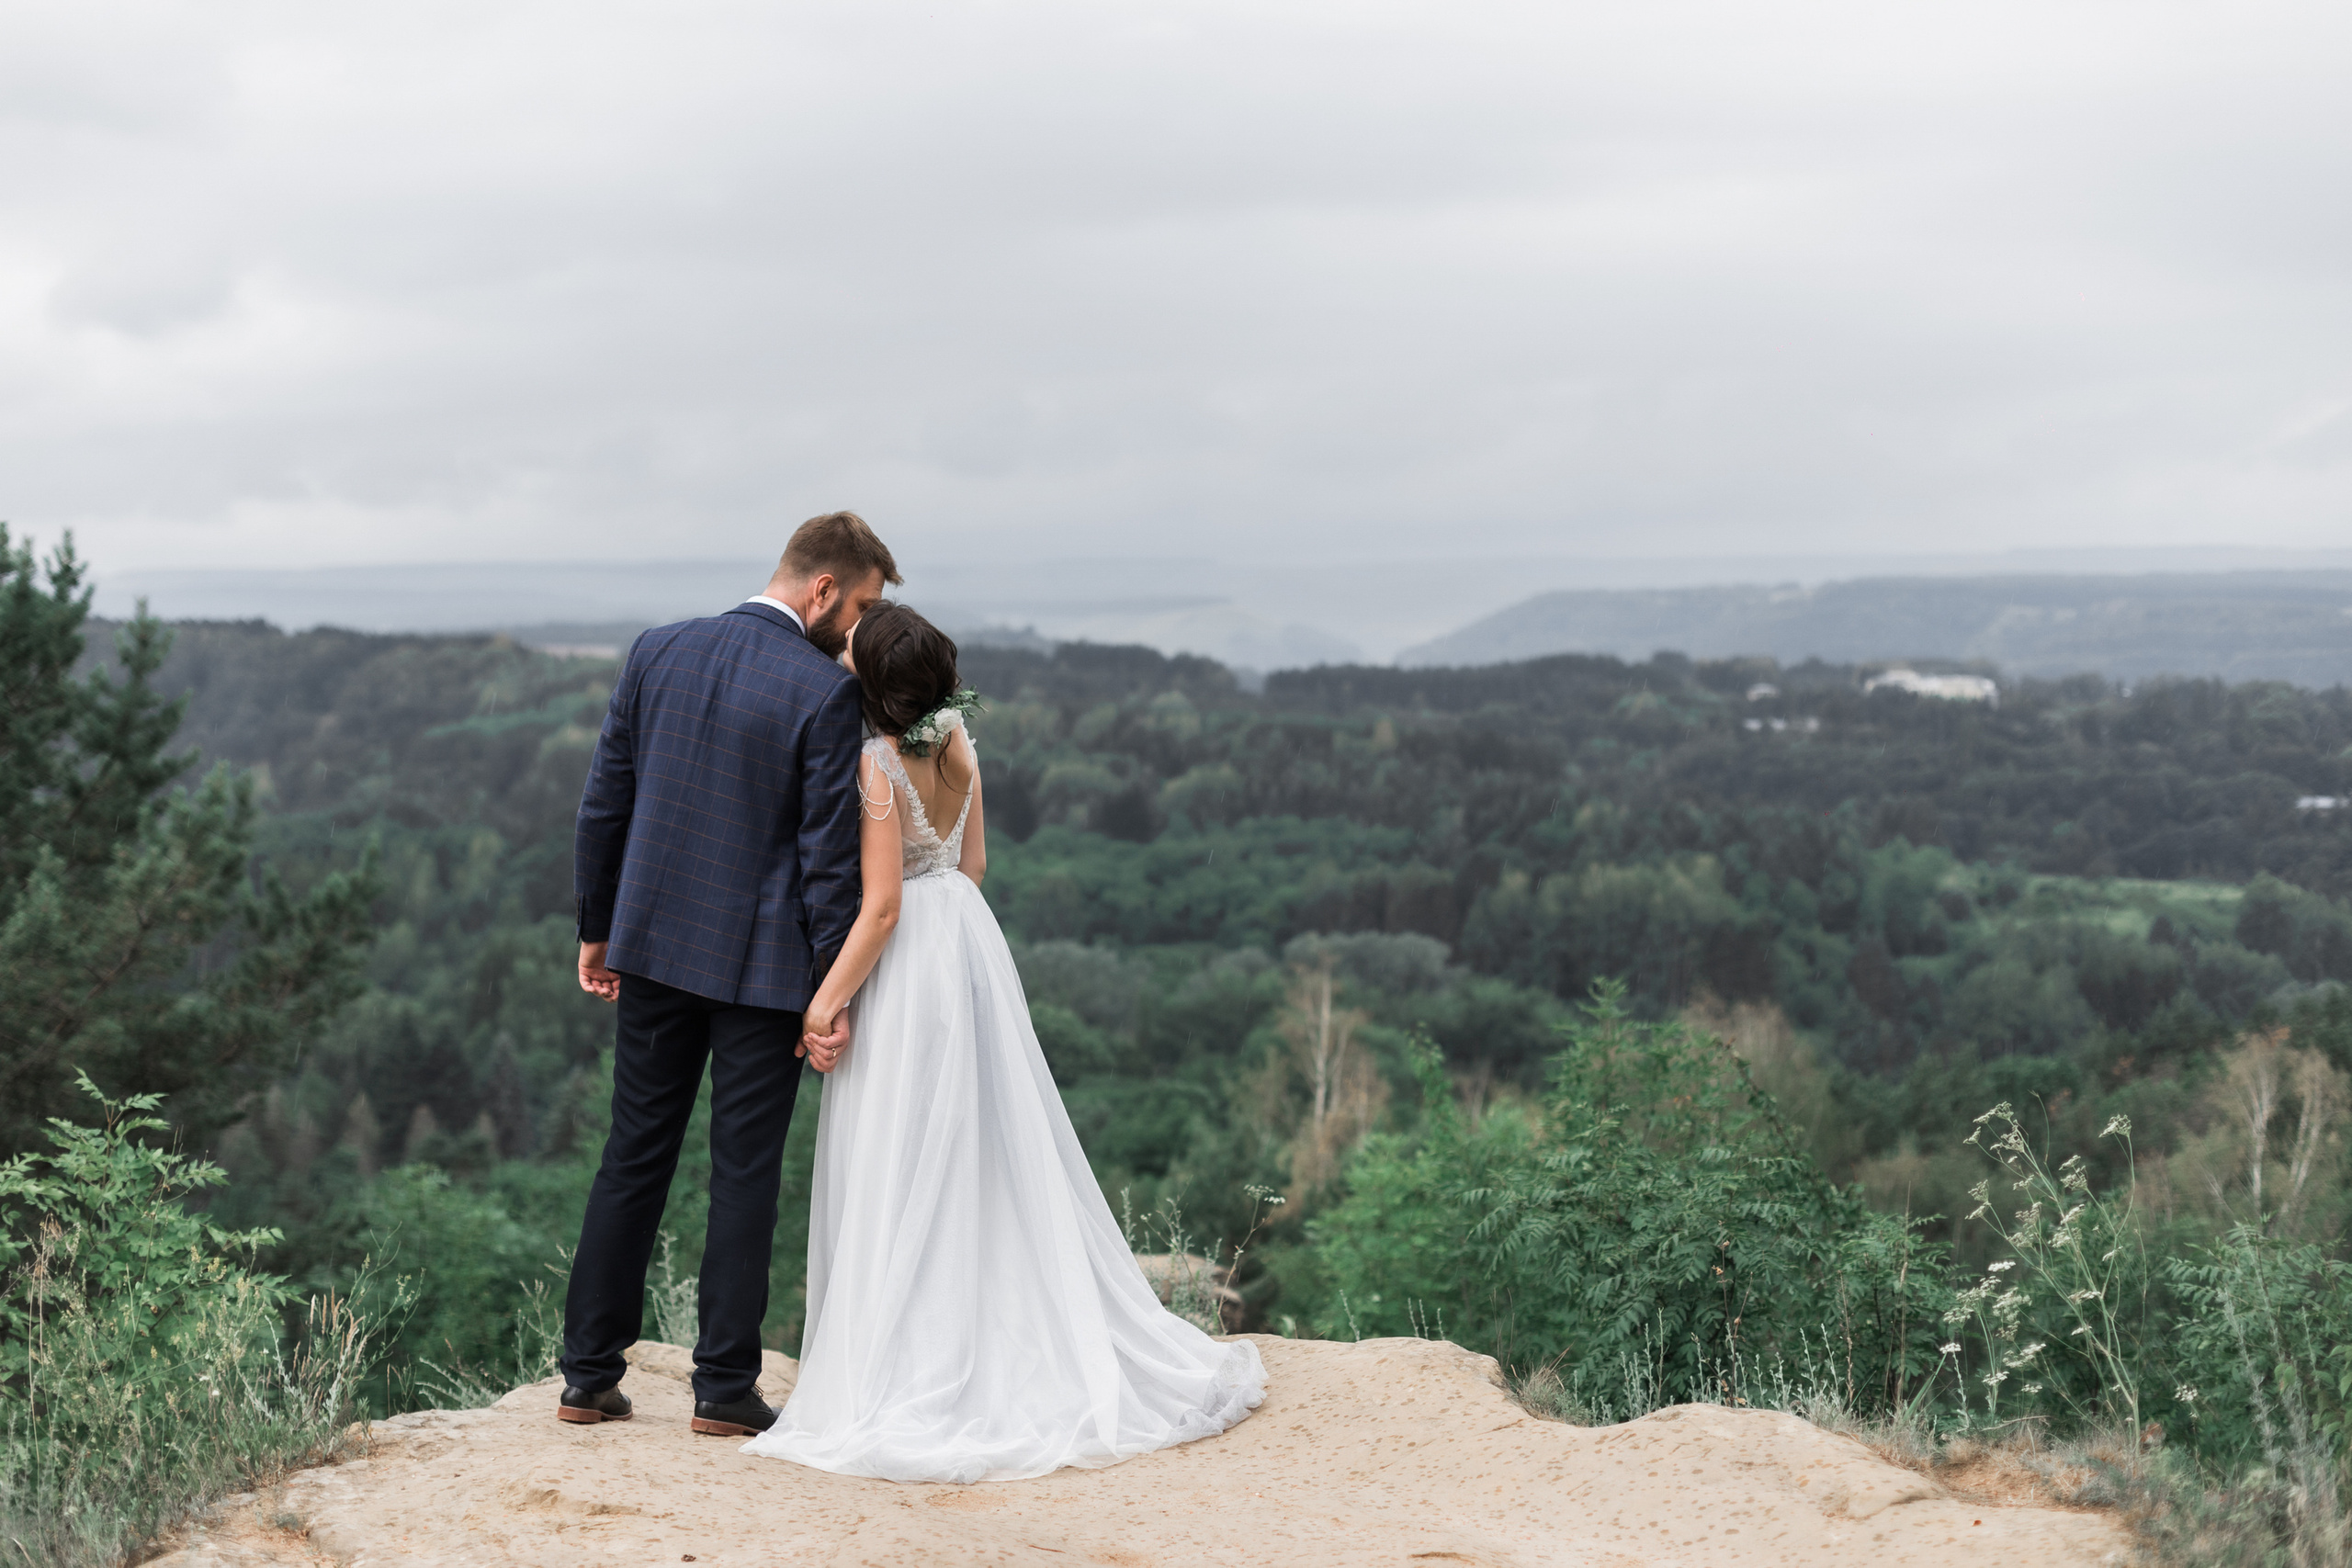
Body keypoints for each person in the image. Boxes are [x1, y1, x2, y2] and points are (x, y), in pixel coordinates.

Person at [741, 603, 1265, 1483]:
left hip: (908, 960)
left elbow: (880, 907)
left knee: (901, 1147)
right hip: (970, 945)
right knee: (983, 1140)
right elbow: (971, 865)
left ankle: (909, 1350)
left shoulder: (875, 765)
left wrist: (823, 1003)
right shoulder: (956, 744)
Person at [555, 511, 898, 1438]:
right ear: (821, 589)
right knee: (742, 1172)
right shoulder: (823, 693)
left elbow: (604, 803)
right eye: (861, 604)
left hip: (655, 944)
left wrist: (599, 928)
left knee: (633, 1153)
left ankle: (587, 1376)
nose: (860, 627)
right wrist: (832, 994)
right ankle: (722, 1391)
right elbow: (828, 862)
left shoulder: (655, 651)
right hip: (763, 971)